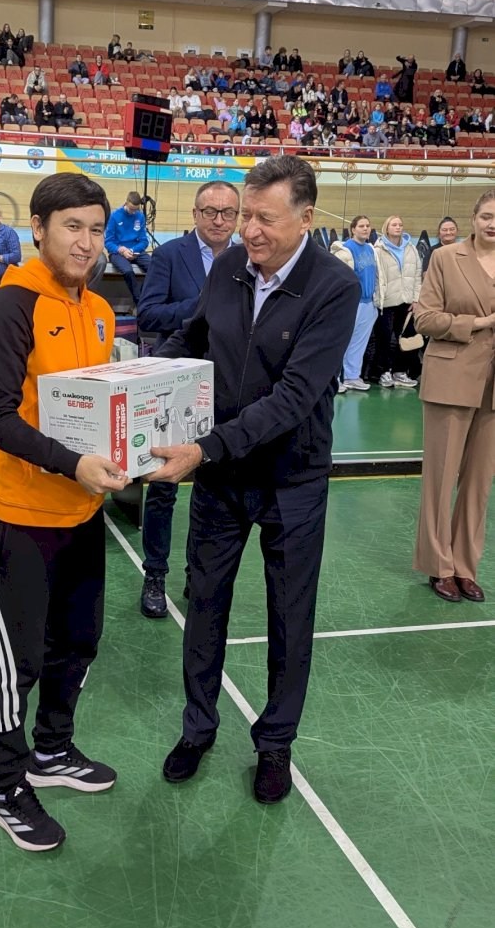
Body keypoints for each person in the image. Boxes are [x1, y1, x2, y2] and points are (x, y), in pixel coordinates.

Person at [147, 156, 359, 804]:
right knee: (204, 604)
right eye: (246, 216)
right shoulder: (230, 268)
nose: (249, 230)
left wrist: (205, 448)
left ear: (305, 217)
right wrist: (132, 381)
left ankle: (275, 745)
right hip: (222, 478)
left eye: (265, 218)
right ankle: (197, 728)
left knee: (289, 617)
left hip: (292, 481)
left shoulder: (334, 287)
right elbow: (192, 340)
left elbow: (294, 397)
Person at [0, 174, 127, 852]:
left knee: (78, 642)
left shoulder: (98, 309)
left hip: (82, 512)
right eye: (72, 227)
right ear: (37, 229)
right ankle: (7, 789)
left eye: (95, 229)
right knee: (18, 662)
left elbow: (91, 411)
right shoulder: (10, 306)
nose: (85, 242)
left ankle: (52, 749)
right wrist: (73, 464)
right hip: (20, 516)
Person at [136, 181, 241, 618]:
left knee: (214, 489)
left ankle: (198, 574)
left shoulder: (247, 259)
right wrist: (201, 305)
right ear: (195, 214)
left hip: (225, 387)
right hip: (175, 386)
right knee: (164, 487)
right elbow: (147, 314)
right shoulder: (169, 255)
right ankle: (154, 575)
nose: (219, 220)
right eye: (210, 211)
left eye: (228, 213)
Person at [413, 190, 495, 604]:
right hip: (451, 377)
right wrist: (479, 322)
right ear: (474, 218)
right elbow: (425, 318)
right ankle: (438, 566)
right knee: (441, 479)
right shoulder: (446, 258)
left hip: (492, 388)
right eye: (487, 216)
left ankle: (465, 566)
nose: (493, 224)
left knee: (479, 484)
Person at [372, 215, 422, 388]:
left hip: (407, 302)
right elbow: (377, 277)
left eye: (400, 224)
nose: (398, 227)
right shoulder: (378, 250)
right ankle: (383, 372)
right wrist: (379, 299)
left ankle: (400, 372)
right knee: (384, 339)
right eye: (394, 224)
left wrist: (416, 299)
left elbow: (417, 275)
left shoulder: (411, 249)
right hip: (386, 303)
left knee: (408, 338)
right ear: (387, 228)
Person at [330, 216, 378, 392]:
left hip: (369, 302)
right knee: (342, 341)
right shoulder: (344, 250)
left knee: (359, 343)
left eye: (368, 226)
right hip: (352, 303)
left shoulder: (371, 249)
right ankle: (334, 379)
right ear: (353, 229)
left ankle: (352, 377)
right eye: (361, 226)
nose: (365, 229)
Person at [104, 191, 151, 305]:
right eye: (131, 209)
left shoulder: (140, 216)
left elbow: (144, 240)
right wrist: (121, 250)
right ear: (126, 203)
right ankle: (139, 301)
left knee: (154, 267)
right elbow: (108, 242)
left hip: (135, 251)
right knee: (128, 271)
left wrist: (133, 250)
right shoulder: (114, 216)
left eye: (135, 209)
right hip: (117, 252)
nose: (133, 212)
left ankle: (143, 295)